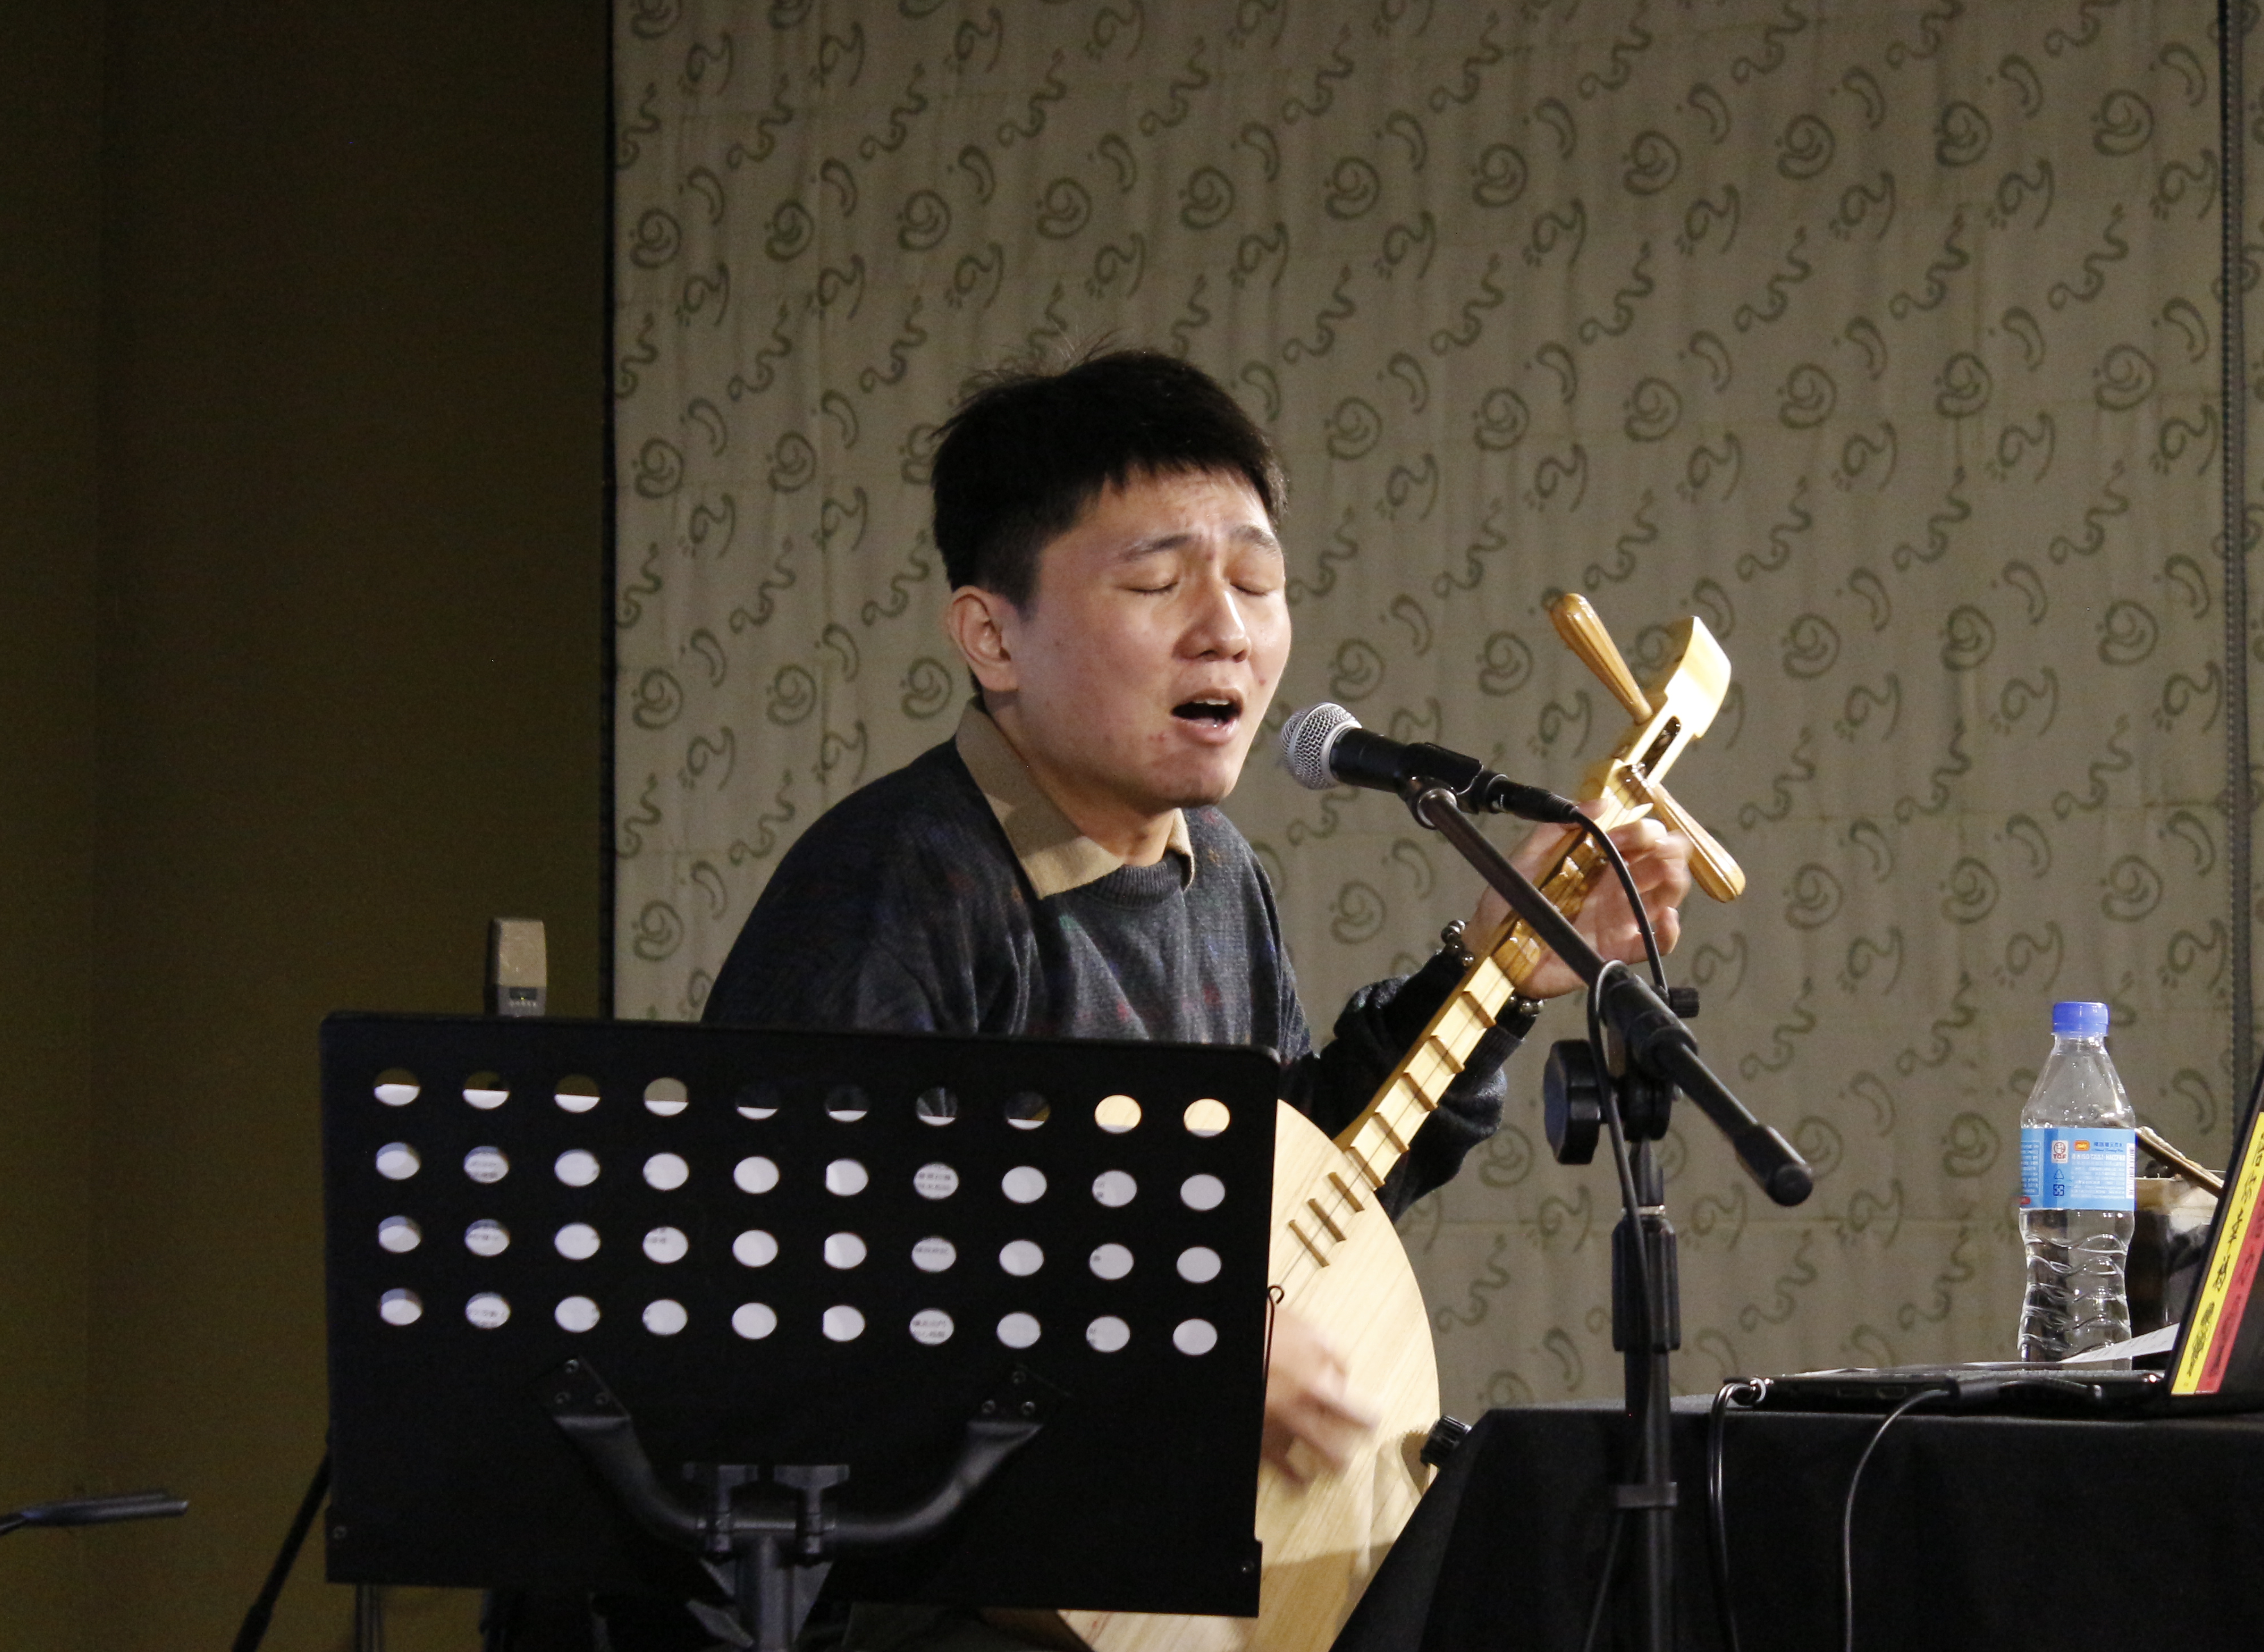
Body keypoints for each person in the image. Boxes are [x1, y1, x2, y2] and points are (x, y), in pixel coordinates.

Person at [673, 348, 1688, 1651]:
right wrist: (1170, 1341)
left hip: (1138, 1558)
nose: (1228, 629)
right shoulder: (902, 878)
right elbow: (797, 1264)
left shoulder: (1221, 876)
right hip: (904, 1600)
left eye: (1257, 583)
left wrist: (1492, 975)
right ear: (993, 637)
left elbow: (1294, 1201)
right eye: (1158, 583)